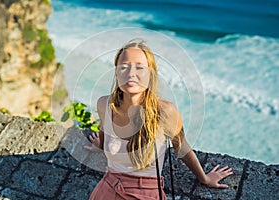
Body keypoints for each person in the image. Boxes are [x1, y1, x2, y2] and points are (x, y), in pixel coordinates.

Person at [85, 39, 233, 199]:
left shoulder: (165, 111)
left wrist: (204, 178)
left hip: (145, 194)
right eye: (124, 67)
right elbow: (103, 129)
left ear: (150, 74)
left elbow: (181, 147)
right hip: (108, 190)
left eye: (139, 67)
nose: (130, 74)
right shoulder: (104, 104)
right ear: (116, 72)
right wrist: (100, 145)